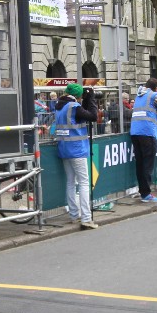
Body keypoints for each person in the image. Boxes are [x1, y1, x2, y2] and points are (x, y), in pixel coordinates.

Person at [54, 83, 98, 229]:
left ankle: (74, 215)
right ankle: (86, 218)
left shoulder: (59, 106)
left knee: (70, 182)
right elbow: (93, 116)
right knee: (84, 183)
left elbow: (80, 117)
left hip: (64, 148)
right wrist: (91, 98)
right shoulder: (74, 106)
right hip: (77, 150)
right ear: (78, 96)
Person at [129, 77, 157, 203]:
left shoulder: (139, 95)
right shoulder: (153, 95)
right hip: (148, 132)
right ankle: (146, 194)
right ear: (156, 88)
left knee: (140, 165)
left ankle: (143, 192)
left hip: (135, 132)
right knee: (147, 165)